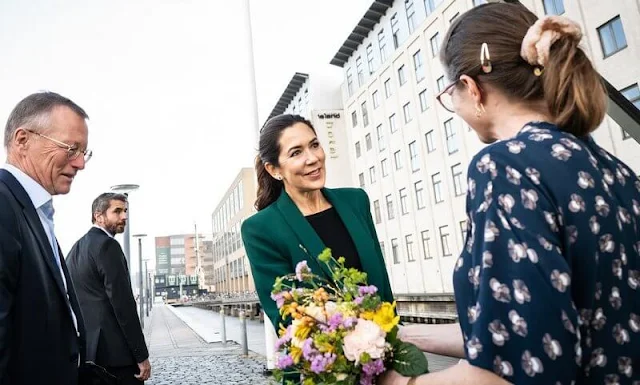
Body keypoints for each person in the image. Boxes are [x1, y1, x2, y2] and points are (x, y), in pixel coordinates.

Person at [380, 3, 639, 385]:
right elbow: (520, 326)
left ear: (471, 88)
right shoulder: (618, 172)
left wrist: (397, 383)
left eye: (451, 93)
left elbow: (509, 370)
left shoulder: (504, 166)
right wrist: (400, 335)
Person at [241, 114, 394, 330]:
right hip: (325, 358)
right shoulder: (260, 229)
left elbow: (384, 288)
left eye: (314, 145)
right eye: (296, 152)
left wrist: (396, 347)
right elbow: (286, 318)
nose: (312, 158)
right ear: (274, 170)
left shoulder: (356, 201)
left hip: (388, 350)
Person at [0, 92, 89, 384]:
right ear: (22, 140)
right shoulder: (4, 205)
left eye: (84, 152)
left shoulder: (33, 211)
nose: (80, 164)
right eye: (70, 148)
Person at [66, 193, 151, 384]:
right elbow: (123, 305)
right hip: (117, 357)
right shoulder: (108, 246)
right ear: (99, 216)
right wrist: (141, 355)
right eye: (117, 211)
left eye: (125, 211)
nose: (124, 217)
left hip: (89, 355)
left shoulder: (75, 249)